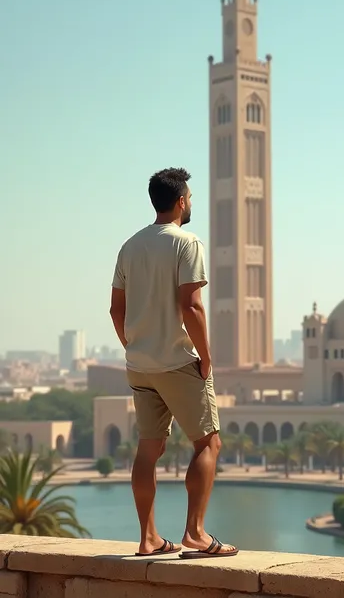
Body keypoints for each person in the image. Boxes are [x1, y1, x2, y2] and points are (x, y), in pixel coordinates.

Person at [109, 167, 238, 559]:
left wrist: (134, 346)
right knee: (208, 442)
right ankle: (195, 534)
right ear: (181, 200)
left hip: (140, 365)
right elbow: (192, 305)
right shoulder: (187, 242)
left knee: (149, 448)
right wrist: (207, 357)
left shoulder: (130, 246)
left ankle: (148, 539)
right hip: (178, 362)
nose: (192, 202)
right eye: (191, 197)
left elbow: (116, 310)